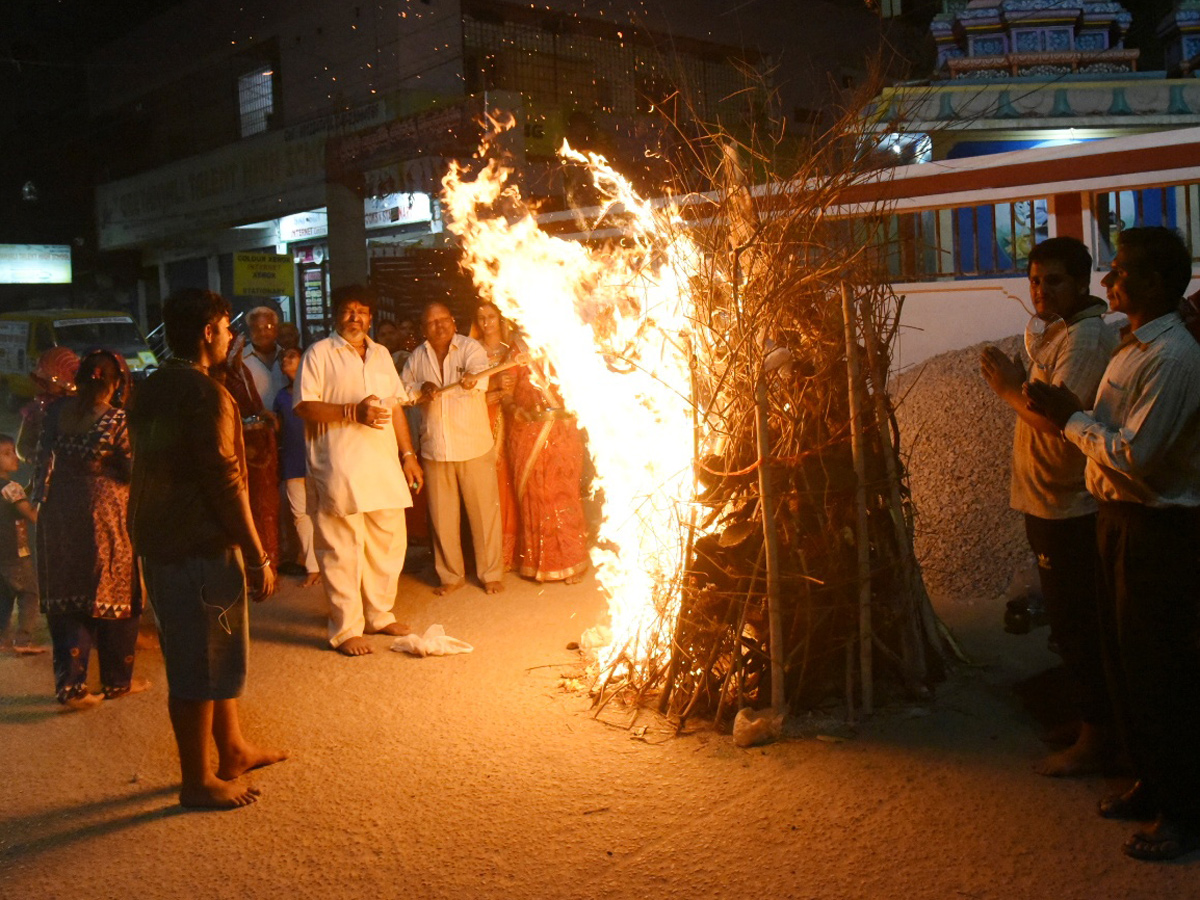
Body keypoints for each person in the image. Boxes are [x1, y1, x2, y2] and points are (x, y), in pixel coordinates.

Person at [1026, 227, 1200, 862]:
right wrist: (1073, 412)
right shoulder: (1135, 346)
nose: (1108, 282)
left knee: (1164, 674)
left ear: (1153, 284)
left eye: (1120, 273)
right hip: (1118, 519)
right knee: (1129, 664)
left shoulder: (1173, 358)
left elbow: (1138, 454)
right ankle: (1151, 784)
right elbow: (1112, 430)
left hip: (1159, 530)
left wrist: (1069, 418)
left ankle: (1183, 812)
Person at [129, 288, 284, 810]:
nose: (230, 337)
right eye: (224, 328)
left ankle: (233, 748)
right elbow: (226, 482)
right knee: (199, 661)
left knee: (211, 651)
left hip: (163, 540)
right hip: (197, 544)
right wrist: (258, 552)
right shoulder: (205, 395)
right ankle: (196, 781)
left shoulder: (150, 388)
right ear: (206, 333)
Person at [980, 236, 1119, 776]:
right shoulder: (1059, 334)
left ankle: (1098, 737)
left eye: (1054, 281)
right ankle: (1090, 720)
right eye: (1035, 280)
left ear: (1082, 282)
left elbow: (1065, 427)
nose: (1041, 290)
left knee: (1079, 625)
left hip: (1070, 505)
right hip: (1047, 500)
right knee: (1067, 623)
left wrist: (1010, 389)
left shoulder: (1083, 342)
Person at [294, 284, 424, 656]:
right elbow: (304, 406)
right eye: (349, 311)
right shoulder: (319, 353)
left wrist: (408, 455)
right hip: (339, 465)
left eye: (363, 311)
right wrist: (351, 411)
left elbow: (396, 406)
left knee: (389, 540)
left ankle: (379, 615)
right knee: (341, 546)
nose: (356, 318)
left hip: (382, 464)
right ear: (336, 316)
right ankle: (345, 628)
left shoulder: (381, 353)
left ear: (371, 317)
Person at [32, 350, 143, 709]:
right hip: (105, 514)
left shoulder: (55, 413)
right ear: (115, 384)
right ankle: (116, 681)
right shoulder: (117, 420)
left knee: (68, 596)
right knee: (115, 590)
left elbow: (39, 458)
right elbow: (130, 469)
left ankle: (71, 686)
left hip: (59, 512)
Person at [402, 301, 504, 595]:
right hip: (436, 448)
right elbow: (403, 391)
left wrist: (471, 380)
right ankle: (450, 576)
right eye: (432, 322)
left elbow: (480, 376)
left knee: (484, 514)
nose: (440, 325)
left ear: (454, 322)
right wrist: (421, 390)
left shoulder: (471, 348)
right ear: (424, 329)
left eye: (444, 319)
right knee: (442, 517)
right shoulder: (416, 358)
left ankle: (491, 573)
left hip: (473, 444)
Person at [506, 357, 590, 584]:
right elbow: (506, 393)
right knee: (536, 496)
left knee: (563, 495)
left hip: (562, 433)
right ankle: (536, 564)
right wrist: (515, 410)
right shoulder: (517, 353)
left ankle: (572, 562)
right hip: (527, 433)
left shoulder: (562, 344)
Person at [471, 302, 519, 570]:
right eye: (481, 317)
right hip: (484, 417)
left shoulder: (512, 350)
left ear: (500, 319)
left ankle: (510, 551)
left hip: (511, 417)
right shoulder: (472, 351)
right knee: (489, 482)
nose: (486, 322)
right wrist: (494, 390)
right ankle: (490, 553)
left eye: (490, 317)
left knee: (510, 480)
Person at [273, 347, 320, 587]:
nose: (286, 359)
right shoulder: (281, 397)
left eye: (292, 355)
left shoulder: (318, 391)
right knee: (300, 515)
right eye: (283, 357)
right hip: (293, 461)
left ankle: (329, 564)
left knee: (324, 513)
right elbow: (279, 430)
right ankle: (312, 566)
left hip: (319, 459)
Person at [0, 434, 43, 655]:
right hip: (16, 554)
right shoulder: (11, 488)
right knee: (30, 594)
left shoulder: (10, 489)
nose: (14, 457)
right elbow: (32, 515)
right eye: (6, 454)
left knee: (4, 598)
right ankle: (23, 641)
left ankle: (2, 641)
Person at [17, 346, 79, 463]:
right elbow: (22, 446)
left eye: (47, 378)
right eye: (41, 378)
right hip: (45, 474)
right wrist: (32, 457)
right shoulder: (37, 408)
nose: (41, 383)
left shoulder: (81, 407)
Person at [242, 306, 286, 411]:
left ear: (276, 329)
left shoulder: (287, 357)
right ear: (249, 331)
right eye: (256, 328)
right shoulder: (240, 360)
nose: (262, 333)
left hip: (288, 424)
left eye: (268, 327)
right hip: (256, 424)